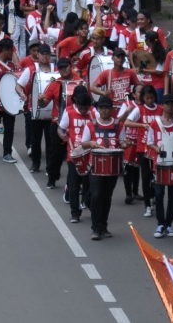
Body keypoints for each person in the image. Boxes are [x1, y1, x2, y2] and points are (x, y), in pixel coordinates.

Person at [81, 95, 126, 240]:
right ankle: (96, 228)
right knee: (96, 195)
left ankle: (104, 226)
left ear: (112, 109)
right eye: (102, 108)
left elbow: (122, 143)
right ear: (98, 109)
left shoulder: (119, 124)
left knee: (107, 197)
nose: (104, 110)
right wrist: (92, 143)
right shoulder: (90, 124)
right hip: (95, 165)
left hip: (112, 166)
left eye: (107, 108)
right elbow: (84, 143)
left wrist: (128, 144)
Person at [39, 57, 85, 188]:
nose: (63, 70)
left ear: (71, 67)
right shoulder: (55, 84)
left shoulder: (80, 83)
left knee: (78, 153)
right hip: (58, 124)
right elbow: (43, 104)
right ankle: (52, 178)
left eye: (66, 66)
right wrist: (40, 99)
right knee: (56, 154)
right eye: (60, 68)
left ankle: (76, 182)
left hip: (77, 124)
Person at [146, 93, 173, 238]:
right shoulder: (155, 123)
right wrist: (156, 149)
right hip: (159, 163)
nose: (170, 106)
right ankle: (160, 223)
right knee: (158, 194)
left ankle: (169, 224)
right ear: (162, 105)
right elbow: (150, 141)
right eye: (168, 104)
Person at [17, 43, 58, 174]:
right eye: (43, 54)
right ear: (38, 55)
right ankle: (35, 163)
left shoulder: (55, 69)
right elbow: (18, 85)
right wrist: (22, 93)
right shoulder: (30, 69)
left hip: (51, 110)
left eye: (47, 54)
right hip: (34, 109)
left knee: (51, 140)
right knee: (35, 138)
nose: (45, 56)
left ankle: (50, 166)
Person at [127, 84, 163, 217]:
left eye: (152, 98)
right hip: (143, 147)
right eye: (147, 98)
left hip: (157, 147)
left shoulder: (160, 109)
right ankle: (147, 204)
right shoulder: (140, 110)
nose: (150, 100)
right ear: (143, 98)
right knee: (146, 176)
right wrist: (142, 125)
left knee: (156, 176)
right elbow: (127, 122)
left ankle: (154, 198)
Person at [58, 90, 94, 223]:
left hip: (90, 155)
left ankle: (88, 203)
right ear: (77, 104)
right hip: (74, 155)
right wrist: (62, 135)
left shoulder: (93, 114)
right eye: (81, 108)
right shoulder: (70, 113)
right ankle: (75, 213)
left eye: (86, 108)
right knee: (73, 186)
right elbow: (61, 128)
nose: (84, 111)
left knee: (89, 184)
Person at [90, 48, 139, 115]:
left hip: (126, 105)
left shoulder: (130, 72)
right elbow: (93, 88)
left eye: (122, 57)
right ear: (112, 58)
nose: (120, 59)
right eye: (118, 57)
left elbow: (138, 86)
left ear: (124, 60)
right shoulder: (106, 73)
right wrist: (103, 93)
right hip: (113, 107)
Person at [118, 84, 144, 204]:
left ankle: (136, 191)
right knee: (128, 167)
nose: (142, 94)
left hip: (141, 140)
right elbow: (120, 120)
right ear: (134, 94)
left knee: (137, 167)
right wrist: (127, 111)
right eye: (139, 92)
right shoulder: (127, 105)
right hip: (129, 139)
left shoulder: (146, 106)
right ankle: (128, 193)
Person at [137, 30, 167, 103]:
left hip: (157, 85)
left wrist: (143, 70)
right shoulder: (149, 50)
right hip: (147, 84)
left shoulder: (160, 52)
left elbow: (159, 71)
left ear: (147, 41)